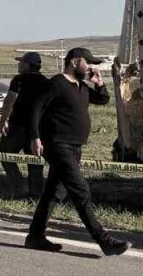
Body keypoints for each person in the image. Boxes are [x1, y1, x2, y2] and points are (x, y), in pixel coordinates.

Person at [27, 47, 130, 256]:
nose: (90, 66)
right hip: (58, 145)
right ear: (75, 62)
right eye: (87, 62)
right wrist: (35, 137)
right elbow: (35, 108)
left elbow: (103, 100)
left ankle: (35, 237)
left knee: (53, 193)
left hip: (75, 147)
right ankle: (104, 240)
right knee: (80, 191)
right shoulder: (57, 83)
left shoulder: (81, 87)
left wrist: (99, 83)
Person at [0, 52, 52, 198]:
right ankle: (36, 192)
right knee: (35, 160)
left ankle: (19, 185)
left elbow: (9, 100)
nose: (19, 64)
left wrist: (3, 120)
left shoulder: (19, 80)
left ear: (27, 65)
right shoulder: (46, 82)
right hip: (38, 129)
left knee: (5, 154)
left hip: (18, 126)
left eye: (21, 62)